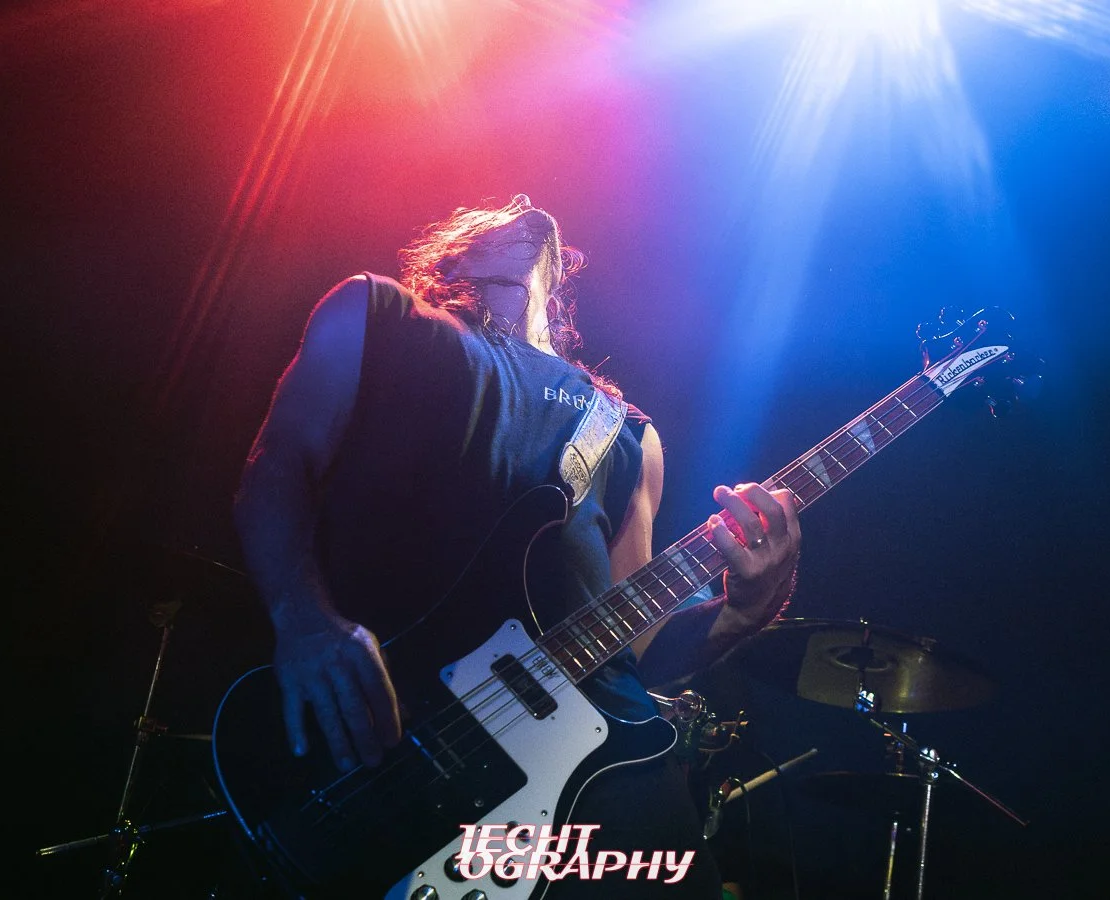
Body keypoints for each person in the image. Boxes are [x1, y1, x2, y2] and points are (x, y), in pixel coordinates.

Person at [231, 194, 801, 898]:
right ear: (448, 260)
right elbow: (274, 466)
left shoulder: (628, 433)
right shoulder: (378, 314)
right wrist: (304, 621)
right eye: (494, 209)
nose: (526, 204)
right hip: (387, 748)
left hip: (596, 783)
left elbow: (636, 653)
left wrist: (745, 609)